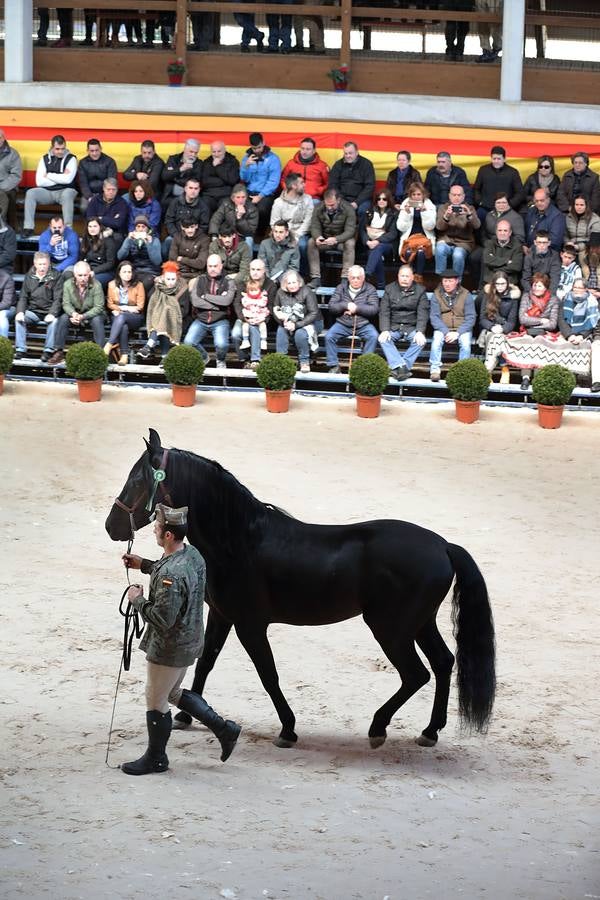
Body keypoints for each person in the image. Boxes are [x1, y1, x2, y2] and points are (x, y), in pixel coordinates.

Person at [121, 503, 241, 775]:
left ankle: (156, 758)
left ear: (168, 536)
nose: (154, 529)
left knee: (156, 700)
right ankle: (224, 729)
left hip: (169, 648)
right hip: (190, 641)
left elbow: (163, 618)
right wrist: (145, 565)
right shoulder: (192, 554)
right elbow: (178, 579)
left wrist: (137, 600)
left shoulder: (170, 574)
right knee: (172, 692)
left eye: (158, 527)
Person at [49, 261, 106, 366]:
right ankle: (59, 351)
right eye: (80, 275)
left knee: (97, 320)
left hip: (93, 314)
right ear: (75, 275)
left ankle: (101, 353)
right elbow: (66, 304)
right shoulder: (67, 284)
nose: (83, 278)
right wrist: (73, 314)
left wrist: (83, 316)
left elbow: (98, 307)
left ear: (89, 274)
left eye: (85, 275)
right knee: (63, 318)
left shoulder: (97, 285)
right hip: (76, 312)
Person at [377, 265, 429, 381]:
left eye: (407, 276)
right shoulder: (389, 289)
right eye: (402, 276)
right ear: (398, 276)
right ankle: (402, 367)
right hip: (394, 326)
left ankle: (400, 368)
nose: (404, 278)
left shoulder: (420, 290)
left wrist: (420, 331)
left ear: (412, 278)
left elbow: (423, 313)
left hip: (411, 327)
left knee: (420, 342)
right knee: (383, 339)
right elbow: (384, 311)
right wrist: (385, 330)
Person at [184, 254, 236, 369]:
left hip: (220, 320)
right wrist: (217, 305)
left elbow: (227, 301)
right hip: (201, 319)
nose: (212, 269)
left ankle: (220, 360)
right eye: (210, 266)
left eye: (215, 266)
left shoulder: (229, 281)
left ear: (221, 266)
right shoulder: (199, 279)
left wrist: (205, 296)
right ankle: (203, 357)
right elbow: (196, 302)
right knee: (188, 342)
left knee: (221, 344)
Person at [325, 266, 379, 374]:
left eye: (358, 278)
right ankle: (333, 366)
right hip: (343, 323)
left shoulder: (370, 289)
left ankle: (364, 367)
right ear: (348, 278)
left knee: (373, 336)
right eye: (353, 277)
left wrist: (357, 308)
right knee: (329, 336)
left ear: (363, 278)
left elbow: (374, 309)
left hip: (363, 324)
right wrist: (346, 305)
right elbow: (332, 307)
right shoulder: (341, 288)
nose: (355, 280)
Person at [22, 135, 78, 236]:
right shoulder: (44, 159)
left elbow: (68, 180)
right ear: (52, 147)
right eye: (57, 149)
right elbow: (39, 182)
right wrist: (61, 177)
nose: (60, 151)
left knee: (67, 194)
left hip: (65, 191)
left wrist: (48, 175)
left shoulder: (71, 159)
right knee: (31, 193)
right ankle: (28, 228)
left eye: (63, 148)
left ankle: (67, 230)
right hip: (48, 192)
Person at [14, 251, 63, 362]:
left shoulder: (56, 276)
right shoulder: (29, 276)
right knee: (19, 319)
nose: (42, 267)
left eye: (44, 264)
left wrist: (52, 313)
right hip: (34, 311)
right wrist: (20, 311)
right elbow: (23, 296)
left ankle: (48, 351)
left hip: (49, 311)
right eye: (40, 264)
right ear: (35, 264)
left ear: (49, 263)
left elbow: (58, 299)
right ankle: (20, 349)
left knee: (54, 322)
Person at [428, 268, 476, 381]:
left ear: (457, 281)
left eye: (450, 281)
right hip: (443, 327)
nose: (447, 284)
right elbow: (434, 317)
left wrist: (458, 333)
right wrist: (446, 332)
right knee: (436, 341)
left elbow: (471, 318)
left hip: (462, 328)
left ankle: (462, 372)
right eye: (445, 281)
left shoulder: (466, 294)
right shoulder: (437, 294)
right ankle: (435, 370)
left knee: (465, 344)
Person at [137, 261, 189, 361]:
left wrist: (170, 312)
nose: (170, 282)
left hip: (178, 319)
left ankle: (149, 345)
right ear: (163, 278)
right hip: (158, 319)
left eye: (173, 279)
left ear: (177, 278)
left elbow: (185, 310)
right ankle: (165, 357)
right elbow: (152, 305)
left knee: (165, 313)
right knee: (162, 317)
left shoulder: (182, 288)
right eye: (168, 279)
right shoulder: (158, 288)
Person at [231, 258, 277, 367]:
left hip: (263, 319)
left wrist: (263, 318)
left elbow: (272, 305)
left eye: (258, 269)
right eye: (253, 269)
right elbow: (237, 303)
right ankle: (244, 359)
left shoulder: (271, 285)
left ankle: (255, 360)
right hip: (245, 317)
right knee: (235, 334)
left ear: (264, 270)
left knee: (254, 328)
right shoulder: (243, 284)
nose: (255, 272)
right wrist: (243, 318)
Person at [307, 188, 356, 289]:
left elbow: (350, 231)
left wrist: (336, 239)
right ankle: (315, 278)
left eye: (332, 205)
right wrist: (318, 237)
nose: (329, 207)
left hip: (341, 241)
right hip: (325, 241)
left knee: (350, 243)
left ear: (338, 200)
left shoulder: (348, 209)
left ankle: (345, 278)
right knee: (311, 242)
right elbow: (314, 226)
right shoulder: (318, 207)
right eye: (327, 205)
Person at [273, 269, 320, 373]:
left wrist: (296, 325)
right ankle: (281, 361)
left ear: (299, 282)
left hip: (307, 322)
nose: (292, 285)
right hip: (287, 323)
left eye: (294, 282)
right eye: (289, 283)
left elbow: (313, 313)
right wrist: (283, 322)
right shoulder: (280, 293)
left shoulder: (306, 291)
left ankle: (304, 361)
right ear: (285, 284)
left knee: (300, 334)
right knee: (281, 331)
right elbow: (276, 309)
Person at [478, 270, 520, 382]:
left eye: (503, 284)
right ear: (494, 284)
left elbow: (512, 321)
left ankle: (487, 371)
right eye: (497, 284)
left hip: (506, 329)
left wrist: (503, 329)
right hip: (489, 328)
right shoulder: (488, 296)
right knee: (495, 338)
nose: (500, 286)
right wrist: (492, 327)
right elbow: (482, 318)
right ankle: (504, 368)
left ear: (507, 284)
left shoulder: (513, 298)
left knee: (498, 338)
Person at [270, 173, 313, 271]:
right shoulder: (278, 202)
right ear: (294, 186)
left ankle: (303, 274)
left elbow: (308, 222)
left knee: (302, 245)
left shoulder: (308, 199)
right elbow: (274, 223)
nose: (304, 185)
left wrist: (296, 236)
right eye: (302, 183)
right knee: (275, 245)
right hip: (283, 233)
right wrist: (283, 235)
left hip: (301, 233)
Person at [105, 260, 146, 366]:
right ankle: (124, 355)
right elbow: (110, 304)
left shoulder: (139, 285)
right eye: (124, 272)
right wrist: (127, 308)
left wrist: (122, 309)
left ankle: (109, 344)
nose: (127, 274)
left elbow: (140, 307)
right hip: (118, 316)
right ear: (119, 273)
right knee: (123, 326)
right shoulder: (111, 284)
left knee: (122, 317)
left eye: (129, 272)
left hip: (135, 317)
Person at [434, 184, 479, 279]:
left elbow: (477, 226)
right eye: (454, 195)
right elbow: (439, 227)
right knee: (439, 249)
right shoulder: (443, 208)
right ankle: (441, 280)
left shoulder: (469, 208)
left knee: (457, 255)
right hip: (446, 240)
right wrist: (446, 216)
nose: (456, 197)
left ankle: (457, 282)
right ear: (449, 196)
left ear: (463, 196)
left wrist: (469, 215)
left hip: (464, 242)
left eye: (459, 195)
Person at [239, 133, 282, 230]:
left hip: (266, 193)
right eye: (254, 148)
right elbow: (244, 179)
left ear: (264, 143)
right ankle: (245, 233)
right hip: (249, 191)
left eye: (259, 147)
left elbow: (273, 181)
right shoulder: (247, 158)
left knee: (262, 210)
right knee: (241, 208)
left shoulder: (273, 159)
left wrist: (260, 196)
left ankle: (260, 234)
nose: (257, 150)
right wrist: (246, 166)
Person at [472, 146, 524, 224]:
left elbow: (520, 193)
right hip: (485, 208)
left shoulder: (513, 172)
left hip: (506, 209)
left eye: (499, 159)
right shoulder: (483, 170)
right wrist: (480, 202)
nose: (496, 161)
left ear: (504, 159)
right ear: (491, 158)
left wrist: (509, 205)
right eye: (494, 159)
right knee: (476, 223)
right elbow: (476, 189)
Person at [396, 182, 437, 283]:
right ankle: (408, 277)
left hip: (425, 240)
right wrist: (406, 213)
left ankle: (418, 278)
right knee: (409, 252)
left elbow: (430, 226)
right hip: (409, 239)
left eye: (419, 194)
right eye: (413, 195)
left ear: (423, 195)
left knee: (420, 252)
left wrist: (424, 212)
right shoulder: (405, 205)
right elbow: (400, 228)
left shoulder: (430, 206)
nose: (416, 197)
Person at [328, 142, 375, 224]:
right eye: (345, 153)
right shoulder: (338, 165)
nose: (348, 156)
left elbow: (369, 186)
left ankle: (361, 235)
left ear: (357, 152)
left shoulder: (367, 164)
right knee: (329, 207)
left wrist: (357, 202)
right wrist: (341, 200)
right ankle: (336, 235)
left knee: (363, 211)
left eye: (350, 153)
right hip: (342, 198)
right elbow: (333, 185)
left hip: (361, 199)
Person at [360, 188, 398, 291]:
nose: (381, 201)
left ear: (388, 200)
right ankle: (381, 285)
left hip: (387, 245)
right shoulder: (369, 211)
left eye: (384, 199)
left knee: (377, 248)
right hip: (370, 244)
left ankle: (367, 273)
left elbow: (393, 233)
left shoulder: (394, 213)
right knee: (376, 255)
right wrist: (367, 241)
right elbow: (362, 230)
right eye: (379, 199)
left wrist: (377, 241)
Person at [117, 215, 163, 294]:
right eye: (138, 227)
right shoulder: (131, 239)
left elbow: (157, 261)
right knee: (125, 283)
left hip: (150, 271)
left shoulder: (154, 240)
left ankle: (138, 304)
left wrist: (149, 244)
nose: (141, 229)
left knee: (143, 285)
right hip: (136, 270)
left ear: (147, 228)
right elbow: (120, 256)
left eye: (143, 227)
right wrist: (128, 240)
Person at [280, 137, 329, 202]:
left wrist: (317, 191)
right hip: (293, 195)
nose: (304, 151)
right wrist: (289, 189)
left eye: (308, 149)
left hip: (313, 198)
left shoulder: (322, 165)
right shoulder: (291, 163)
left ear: (314, 151)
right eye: (302, 148)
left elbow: (328, 183)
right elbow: (283, 179)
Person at [209, 183, 259, 247]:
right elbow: (216, 219)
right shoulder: (226, 204)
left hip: (243, 236)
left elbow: (250, 232)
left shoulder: (252, 209)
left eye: (243, 197)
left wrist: (240, 218)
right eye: (238, 197)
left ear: (246, 198)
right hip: (228, 234)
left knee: (249, 240)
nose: (241, 200)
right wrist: (214, 234)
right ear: (233, 198)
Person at [86, 178, 129, 246]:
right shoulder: (95, 200)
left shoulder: (122, 203)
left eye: (113, 189)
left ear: (117, 190)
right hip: (97, 230)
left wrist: (101, 218)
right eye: (108, 189)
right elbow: (90, 218)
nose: (111, 192)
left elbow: (118, 223)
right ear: (103, 188)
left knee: (116, 238)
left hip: (115, 233)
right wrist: (111, 220)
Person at [164, 176, 211, 242]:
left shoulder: (203, 206)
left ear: (199, 190)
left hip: (194, 238)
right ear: (185, 189)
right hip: (176, 235)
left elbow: (204, 226)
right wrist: (176, 235)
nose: (193, 191)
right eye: (190, 188)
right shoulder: (175, 202)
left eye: (196, 188)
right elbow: (169, 220)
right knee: (168, 241)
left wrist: (192, 237)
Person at [200, 141, 240, 215]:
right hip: (209, 195)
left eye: (219, 151)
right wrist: (223, 180)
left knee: (225, 207)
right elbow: (204, 182)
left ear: (224, 150)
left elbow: (233, 180)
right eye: (214, 152)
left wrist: (217, 167)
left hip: (225, 194)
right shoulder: (207, 162)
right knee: (204, 205)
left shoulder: (233, 161)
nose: (216, 154)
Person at [78, 138, 118, 213]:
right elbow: (83, 183)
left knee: (108, 207)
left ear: (101, 149)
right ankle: (89, 224)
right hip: (89, 193)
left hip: (106, 193)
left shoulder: (110, 161)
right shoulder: (82, 163)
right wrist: (89, 197)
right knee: (84, 207)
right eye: (92, 151)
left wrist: (105, 196)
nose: (94, 153)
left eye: (97, 150)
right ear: (87, 151)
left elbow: (111, 182)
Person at [481, 219, 524, 288]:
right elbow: (487, 260)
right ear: (496, 232)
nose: (502, 233)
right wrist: (507, 261)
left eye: (505, 230)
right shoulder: (489, 243)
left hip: (509, 283)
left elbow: (516, 267)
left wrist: (494, 267)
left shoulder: (517, 246)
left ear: (510, 233)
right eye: (500, 230)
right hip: (491, 282)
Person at [237, 278, 271, 361]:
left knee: (262, 326)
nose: (253, 292)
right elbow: (245, 304)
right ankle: (245, 341)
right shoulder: (246, 297)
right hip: (249, 316)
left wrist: (261, 317)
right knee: (245, 326)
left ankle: (263, 341)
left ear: (259, 290)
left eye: (255, 290)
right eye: (251, 290)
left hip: (259, 315)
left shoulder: (262, 297)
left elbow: (263, 304)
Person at [565, 197, 600, 277]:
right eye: (576, 204)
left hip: (586, 247)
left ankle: (592, 282)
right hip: (570, 245)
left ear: (586, 206)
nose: (579, 207)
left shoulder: (595, 219)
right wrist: (567, 243)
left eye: (581, 205)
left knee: (583, 260)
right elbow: (565, 234)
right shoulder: (568, 217)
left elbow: (594, 240)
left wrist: (579, 246)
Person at [79, 216, 117, 289]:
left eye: (95, 226)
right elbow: (81, 258)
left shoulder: (108, 241)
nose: (92, 229)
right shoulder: (85, 240)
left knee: (91, 281)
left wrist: (93, 271)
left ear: (100, 227)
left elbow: (110, 263)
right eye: (90, 226)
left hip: (105, 271)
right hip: (88, 270)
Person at [162, 139, 203, 203]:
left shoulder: (198, 163)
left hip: (187, 195)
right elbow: (165, 176)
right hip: (170, 194)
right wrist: (180, 169)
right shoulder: (173, 159)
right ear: (185, 150)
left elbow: (195, 181)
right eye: (191, 152)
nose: (193, 155)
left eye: (196, 153)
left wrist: (175, 179)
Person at [523, 188, 565, 253]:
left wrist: (533, 249)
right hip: (528, 252)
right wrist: (524, 245)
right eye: (536, 201)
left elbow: (555, 242)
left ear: (548, 200)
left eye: (542, 200)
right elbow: (525, 231)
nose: (539, 203)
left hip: (548, 255)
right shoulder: (531, 211)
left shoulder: (557, 216)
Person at [168, 217, 210, 281]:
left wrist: (182, 259)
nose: (190, 230)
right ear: (182, 227)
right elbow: (172, 258)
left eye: (192, 227)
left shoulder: (204, 239)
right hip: (178, 273)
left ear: (196, 226)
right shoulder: (177, 237)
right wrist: (191, 263)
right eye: (187, 227)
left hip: (195, 275)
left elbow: (201, 264)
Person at [521, 231, 560, 295]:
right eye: (539, 242)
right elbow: (525, 278)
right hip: (531, 289)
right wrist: (532, 293)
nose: (542, 245)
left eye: (544, 242)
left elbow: (555, 278)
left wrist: (548, 295)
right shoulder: (529, 256)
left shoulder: (554, 256)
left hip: (548, 289)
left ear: (549, 243)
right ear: (535, 242)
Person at [0, 129, 23, 224]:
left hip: (7, 187)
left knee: (4, 196)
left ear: (4, 138)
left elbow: (16, 176)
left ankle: (4, 226)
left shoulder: (13, 154)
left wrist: (1, 187)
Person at [0, 266, 16, 339]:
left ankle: (3, 345)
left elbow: (6, 303)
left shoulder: (6, 278)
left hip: (8, 308)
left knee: (1, 316)